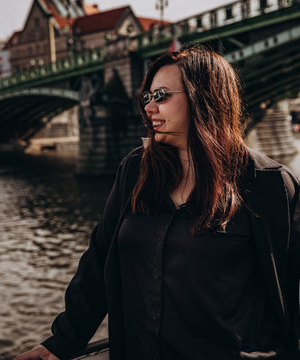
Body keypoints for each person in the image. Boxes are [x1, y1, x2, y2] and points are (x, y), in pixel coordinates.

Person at [15, 46, 300, 360]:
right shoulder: (135, 170)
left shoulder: (270, 184)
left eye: (161, 95)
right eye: (146, 98)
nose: (149, 108)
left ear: (205, 97)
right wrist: (60, 343)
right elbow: (99, 260)